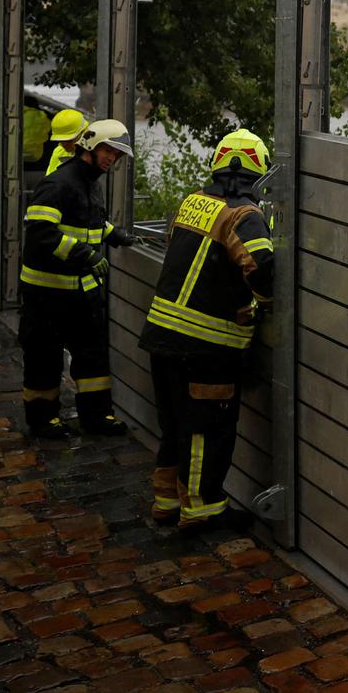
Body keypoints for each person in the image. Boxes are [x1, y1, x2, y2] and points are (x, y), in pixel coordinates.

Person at [139, 129, 274, 531]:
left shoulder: (192, 203)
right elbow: (263, 268)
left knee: (174, 423)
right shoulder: (244, 215)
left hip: (162, 335)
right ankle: (202, 509)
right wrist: (266, 306)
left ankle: (166, 501)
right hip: (206, 347)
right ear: (259, 171)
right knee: (206, 429)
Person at [20, 119, 137, 438]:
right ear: (90, 144)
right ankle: (43, 421)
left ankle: (97, 417)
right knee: (44, 358)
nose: (112, 159)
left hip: (81, 295)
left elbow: (91, 222)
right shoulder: (59, 184)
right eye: (108, 151)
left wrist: (117, 236)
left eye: (117, 155)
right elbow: (41, 233)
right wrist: (85, 255)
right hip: (46, 294)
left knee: (92, 357)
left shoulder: (89, 183)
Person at [44, 108, 88, 175]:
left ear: (83, 132)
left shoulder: (95, 153)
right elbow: (49, 179)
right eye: (61, 140)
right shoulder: (58, 152)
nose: (64, 144)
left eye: (69, 140)